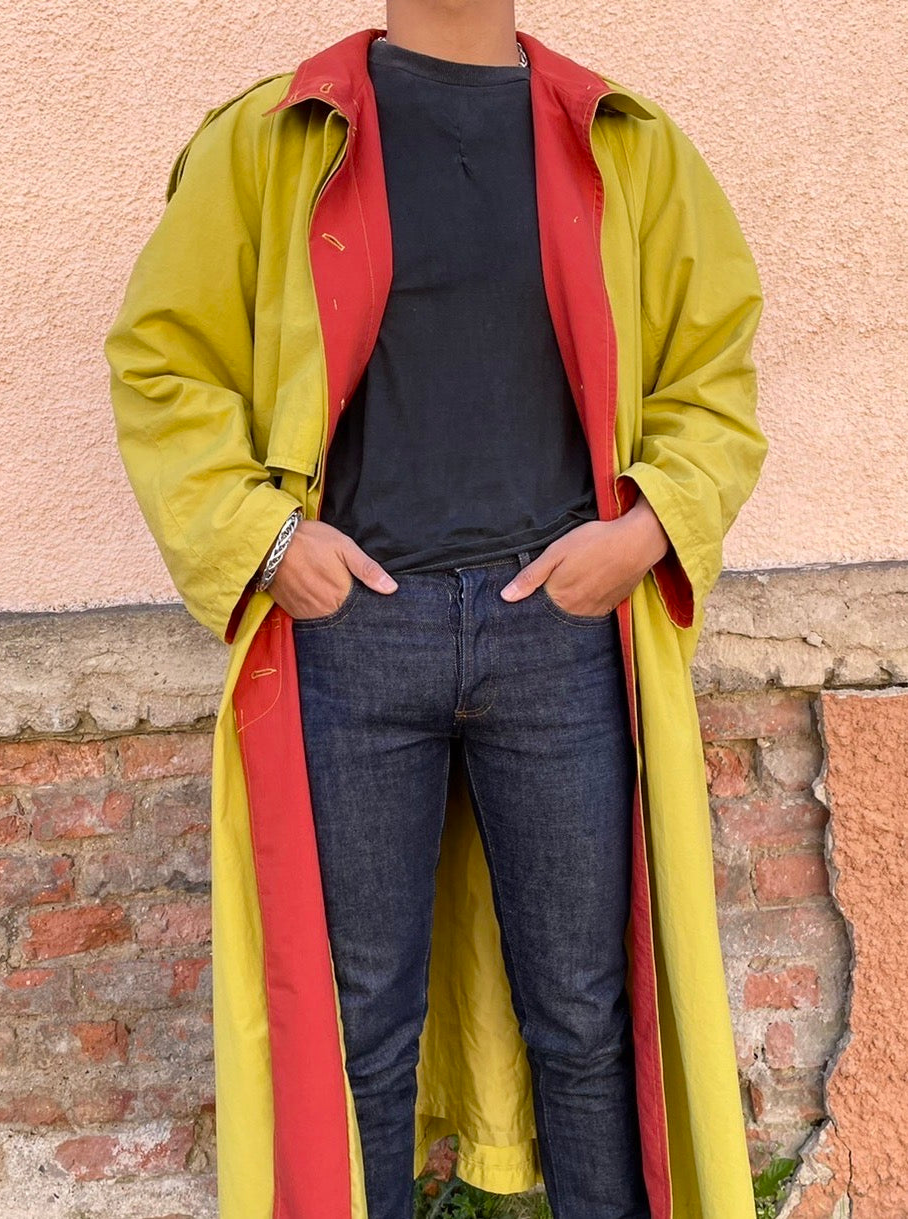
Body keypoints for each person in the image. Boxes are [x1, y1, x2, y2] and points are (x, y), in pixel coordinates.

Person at [104, 5, 768, 1219]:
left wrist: (642, 532)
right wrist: (267, 540)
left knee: (584, 1016)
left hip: (560, 640)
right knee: (355, 1026)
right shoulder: (274, 136)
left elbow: (710, 373)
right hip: (354, 640)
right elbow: (163, 363)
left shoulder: (622, 140)